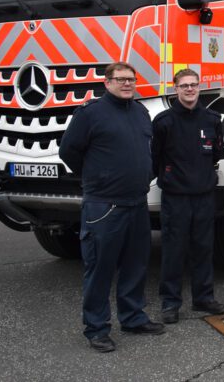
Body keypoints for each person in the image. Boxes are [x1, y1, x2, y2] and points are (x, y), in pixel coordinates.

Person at [59, 62, 163, 353]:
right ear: (107, 83)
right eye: (120, 79)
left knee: (135, 265)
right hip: (104, 205)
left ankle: (133, 317)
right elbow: (69, 151)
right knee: (100, 269)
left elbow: (148, 151)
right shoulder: (90, 114)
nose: (127, 84)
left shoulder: (141, 113)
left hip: (136, 203)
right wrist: (97, 177)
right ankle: (97, 328)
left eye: (131, 79)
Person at [152, 68, 224, 324]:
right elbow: (156, 158)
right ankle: (170, 303)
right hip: (176, 197)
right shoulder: (164, 122)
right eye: (184, 85)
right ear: (175, 88)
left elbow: (216, 153)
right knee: (173, 250)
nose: (189, 89)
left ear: (199, 87)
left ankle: (203, 298)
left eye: (193, 85)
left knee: (203, 249)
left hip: (204, 195)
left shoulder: (212, 119)